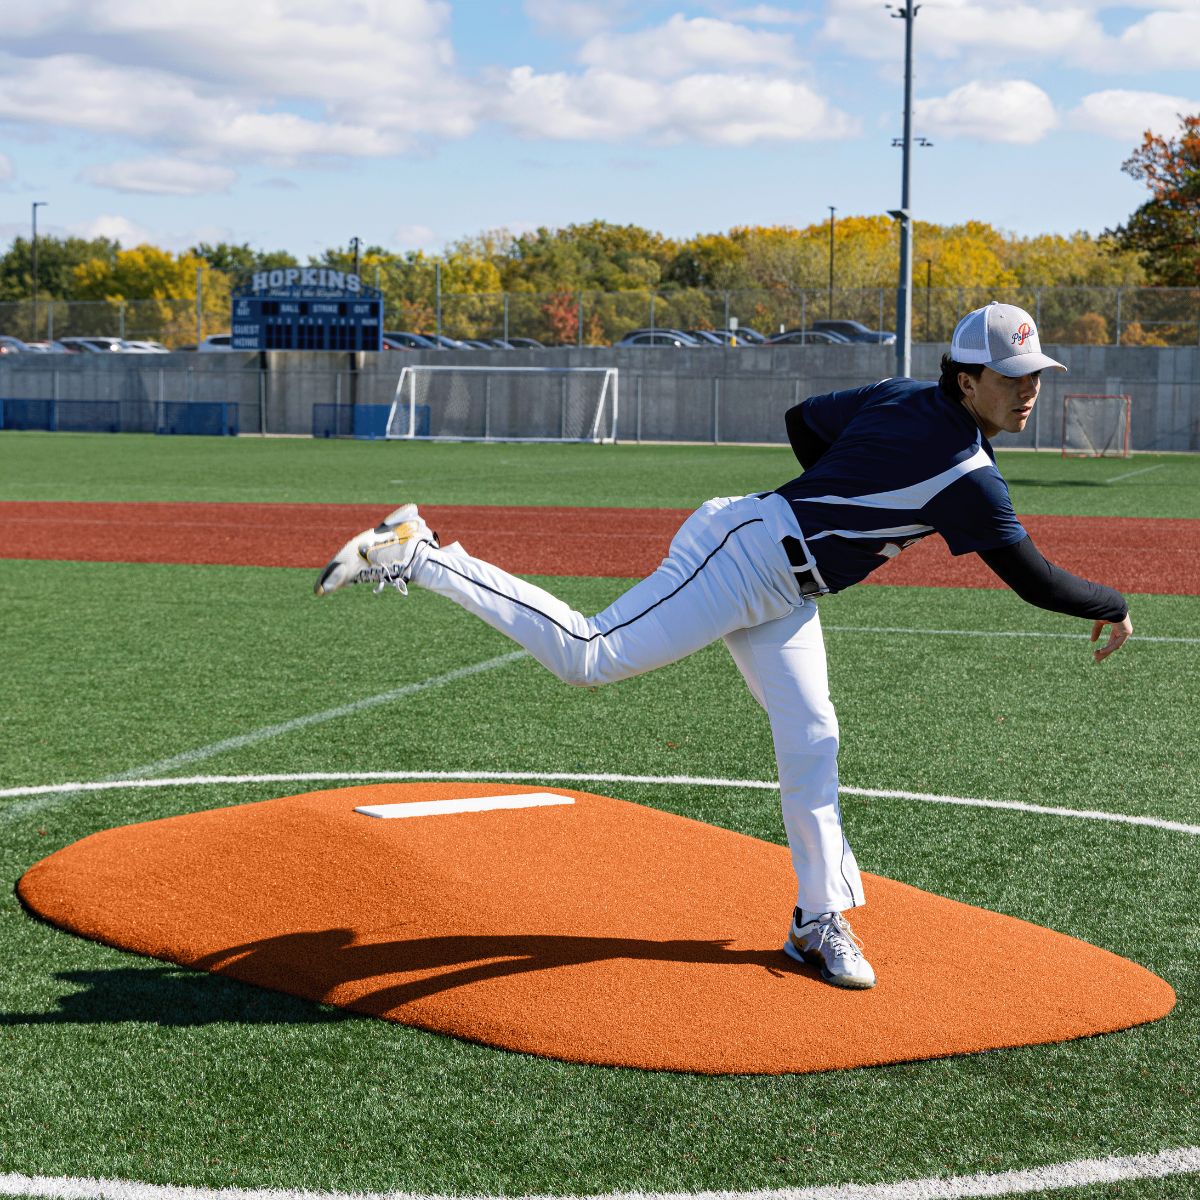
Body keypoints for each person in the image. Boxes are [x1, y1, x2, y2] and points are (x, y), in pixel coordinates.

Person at [314, 301, 1131, 991]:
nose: (1029, 392)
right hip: (743, 555)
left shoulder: (898, 395)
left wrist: (830, 499)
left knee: (813, 738)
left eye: (1035, 378)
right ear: (967, 379)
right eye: (1014, 378)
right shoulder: (967, 475)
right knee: (588, 657)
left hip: (780, 575)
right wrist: (1115, 603)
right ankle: (420, 552)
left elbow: (804, 423)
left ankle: (818, 922)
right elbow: (1032, 579)